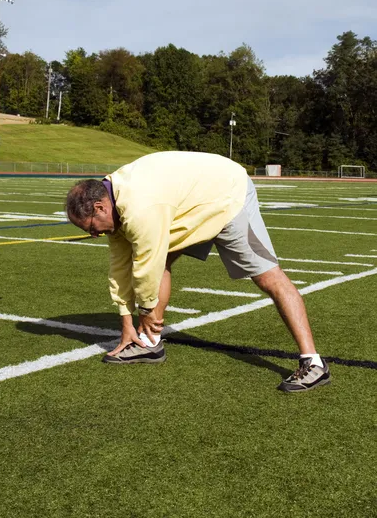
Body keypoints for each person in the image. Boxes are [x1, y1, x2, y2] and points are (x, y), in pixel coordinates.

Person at [66, 151, 330, 393]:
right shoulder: (114, 201)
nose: (93, 234)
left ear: (100, 207)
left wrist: (146, 312)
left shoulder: (139, 207)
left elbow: (147, 264)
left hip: (227, 193)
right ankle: (149, 343)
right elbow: (120, 267)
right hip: (192, 202)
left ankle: (313, 363)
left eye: (91, 227)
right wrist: (126, 322)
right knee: (163, 259)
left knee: (268, 277)